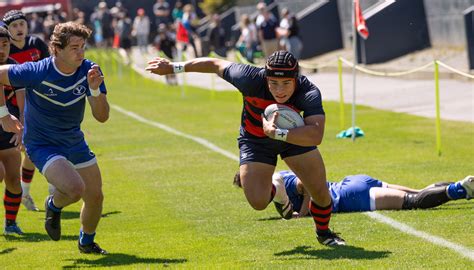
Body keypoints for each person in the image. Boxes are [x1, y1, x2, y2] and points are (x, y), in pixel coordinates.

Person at [145, 50, 345, 246]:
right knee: (257, 202)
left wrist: (279, 133)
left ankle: (324, 233)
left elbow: (316, 135)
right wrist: (173, 67)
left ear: (296, 79)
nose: (279, 90)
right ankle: (277, 191)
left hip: (292, 137)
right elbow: (215, 64)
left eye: (286, 83)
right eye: (273, 83)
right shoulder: (248, 78)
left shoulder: (308, 91)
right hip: (255, 141)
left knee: (319, 190)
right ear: (265, 77)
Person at [0, 22, 110, 254]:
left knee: (96, 196)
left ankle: (86, 242)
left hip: (73, 140)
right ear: (57, 49)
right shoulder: (37, 71)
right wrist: (3, 114)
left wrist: (96, 90)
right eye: (74, 48)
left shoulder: (89, 71)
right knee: (74, 189)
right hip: (41, 143)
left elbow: (102, 117)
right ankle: (53, 205)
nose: (81, 53)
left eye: (83, 47)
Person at [235, 171, 474, 217]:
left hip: (349, 197)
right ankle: (465, 187)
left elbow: (305, 185)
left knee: (412, 203)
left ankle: (459, 189)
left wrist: (304, 211)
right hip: (353, 181)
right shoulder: (278, 177)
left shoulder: (281, 183)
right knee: (419, 191)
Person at [3, 10, 50, 212]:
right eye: (14, 26)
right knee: (24, 151)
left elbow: (49, 68)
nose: (19, 28)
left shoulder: (37, 44)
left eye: (22, 24)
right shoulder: (5, 50)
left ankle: (27, 191)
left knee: (34, 150)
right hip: (11, 108)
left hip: (37, 103)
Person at [0, 26, 24, 235]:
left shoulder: (15, 69)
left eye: (5, 45)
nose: (1, 49)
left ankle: (10, 224)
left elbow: (24, 102)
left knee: (14, 180)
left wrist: (23, 129)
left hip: (9, 132)